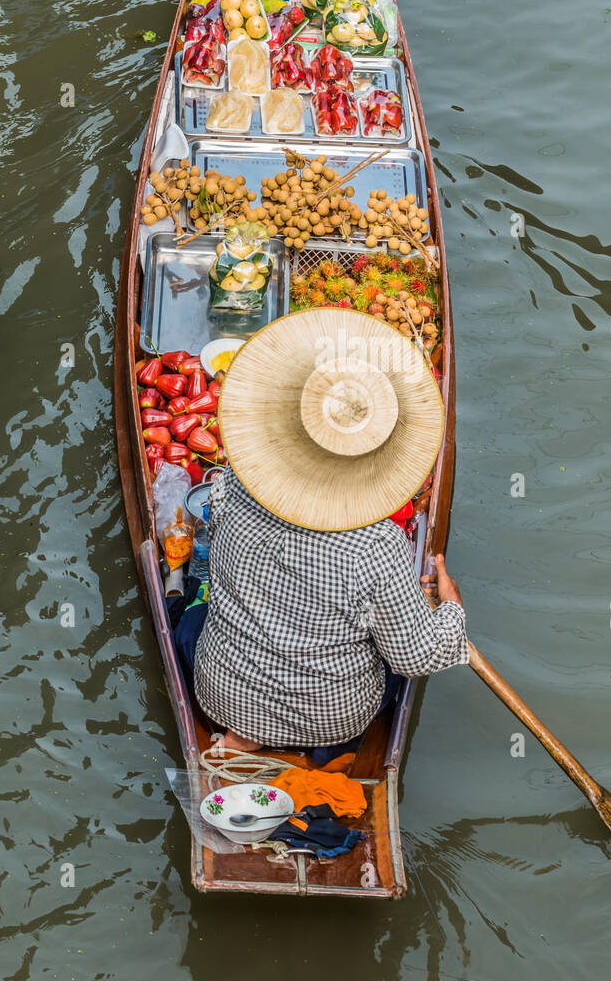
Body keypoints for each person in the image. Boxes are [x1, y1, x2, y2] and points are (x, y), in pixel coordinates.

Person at [191, 308, 469, 753]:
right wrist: (450, 610)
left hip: (222, 696)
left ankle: (243, 737)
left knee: (189, 619)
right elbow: (418, 657)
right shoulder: (376, 545)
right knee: (396, 662)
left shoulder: (233, 485)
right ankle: (299, 745)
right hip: (331, 720)